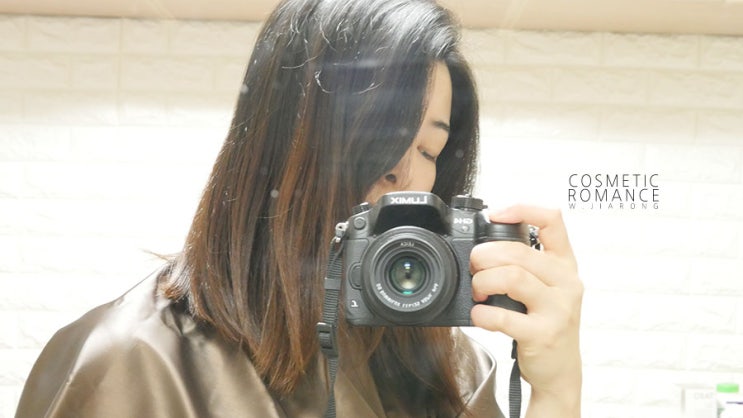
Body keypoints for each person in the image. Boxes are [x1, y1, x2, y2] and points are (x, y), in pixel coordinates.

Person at [16, 0, 583, 417]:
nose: (406, 177)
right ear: (282, 144)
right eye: (380, 137)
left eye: (429, 150)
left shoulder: (454, 373)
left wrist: (556, 392)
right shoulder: (133, 363)